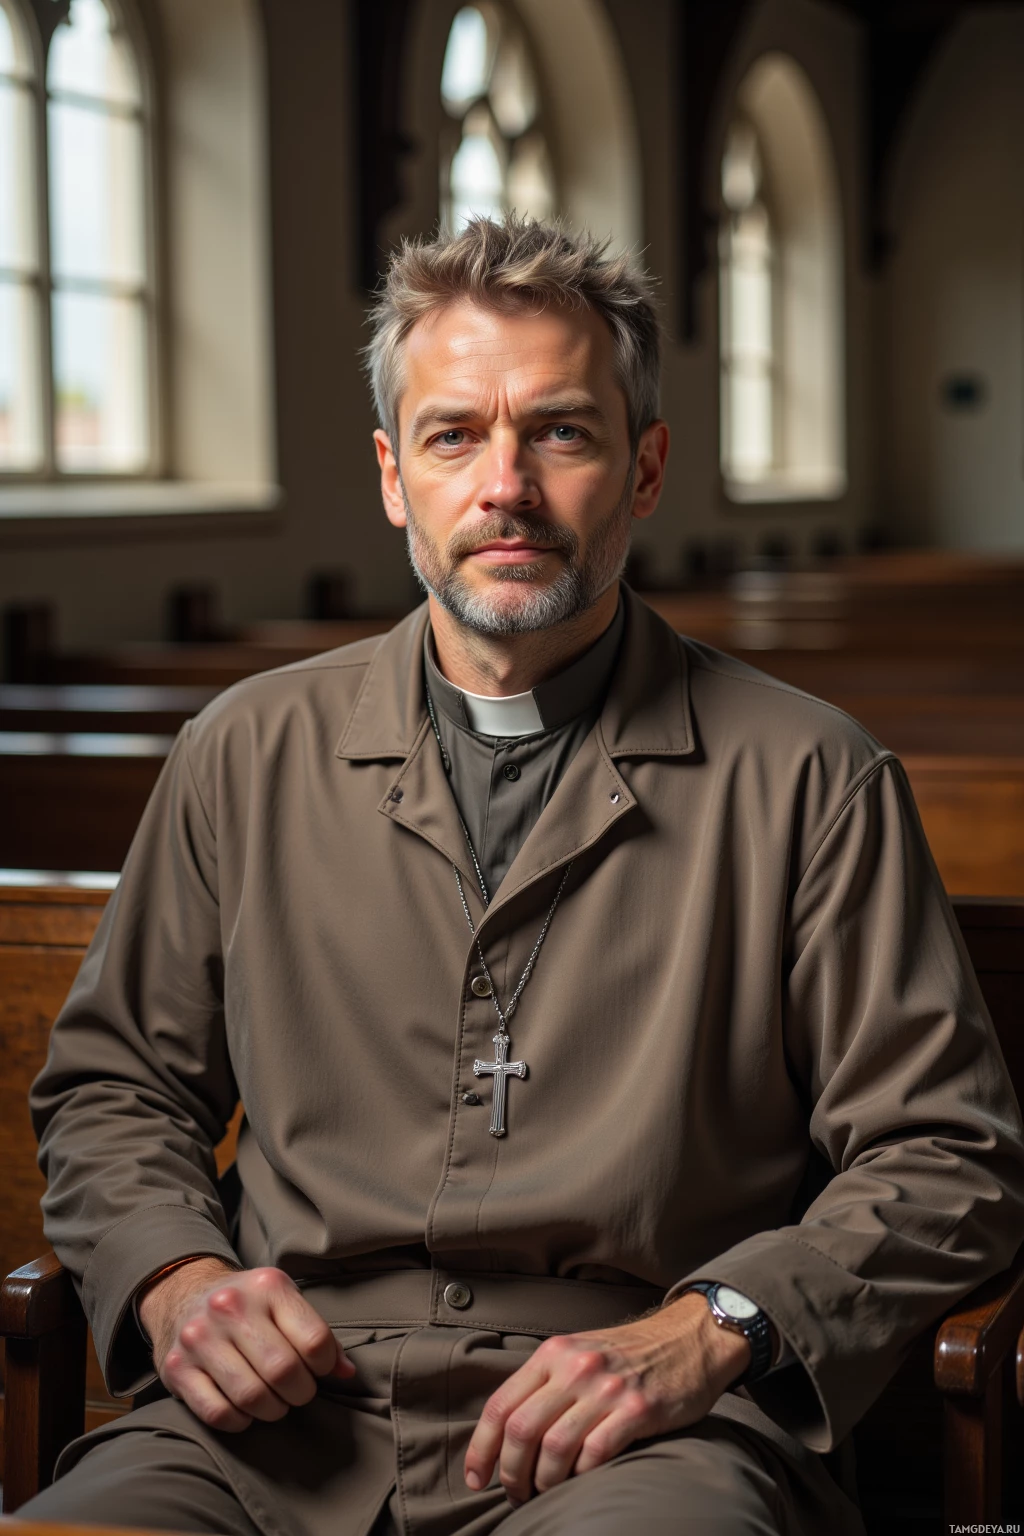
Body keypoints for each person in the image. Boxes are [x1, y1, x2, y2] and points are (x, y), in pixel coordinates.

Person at [22, 216, 1024, 1536]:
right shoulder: (242, 752)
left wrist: (714, 1327)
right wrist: (175, 1276)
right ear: (393, 477)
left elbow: (946, 1155)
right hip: (270, 1425)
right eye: (453, 436)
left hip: (633, 1432)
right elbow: (116, 1087)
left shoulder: (808, 777)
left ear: (646, 466)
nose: (508, 484)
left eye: (561, 431)